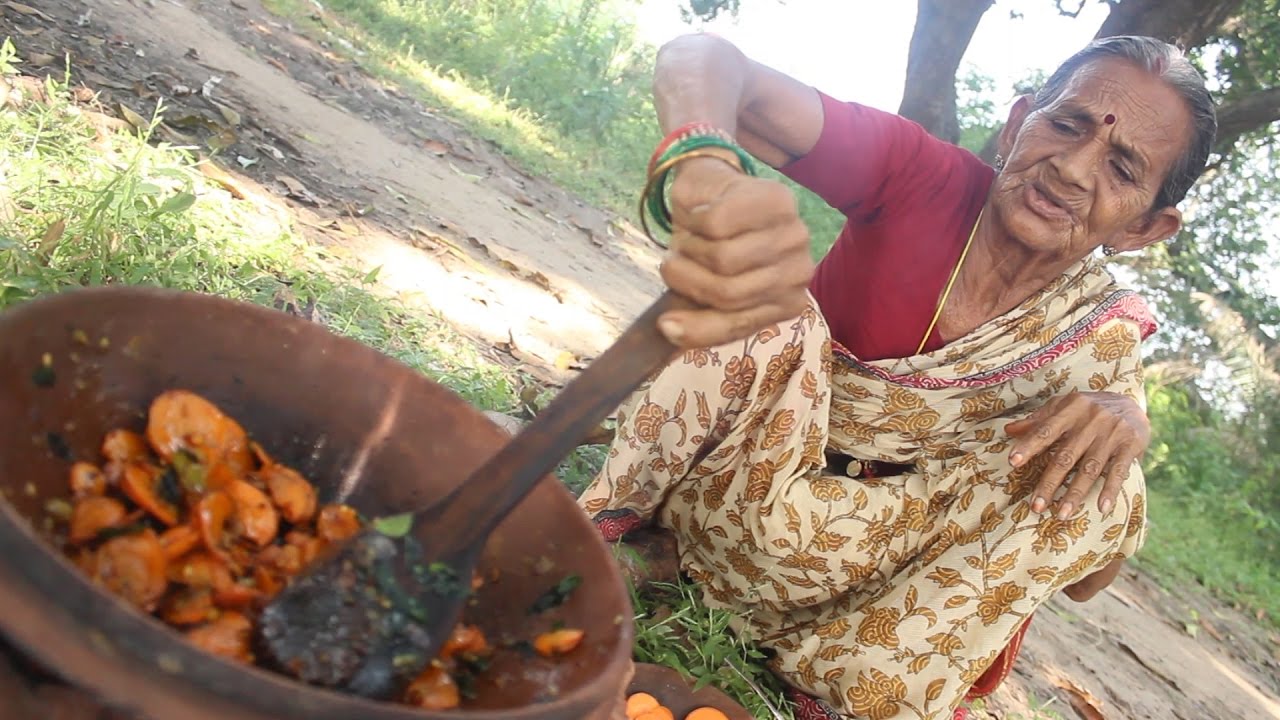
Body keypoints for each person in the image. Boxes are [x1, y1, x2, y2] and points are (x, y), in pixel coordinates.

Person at [579, 33, 1217, 720]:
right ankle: (630, 538)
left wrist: (1125, 434)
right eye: (1066, 125)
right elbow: (702, 60)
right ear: (1015, 125)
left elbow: (1091, 578)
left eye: (1121, 168)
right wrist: (704, 167)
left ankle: (841, 689)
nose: (1072, 168)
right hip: (735, 497)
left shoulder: (1098, 338)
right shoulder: (924, 179)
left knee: (1108, 476)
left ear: (1147, 227)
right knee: (770, 305)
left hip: (862, 604)